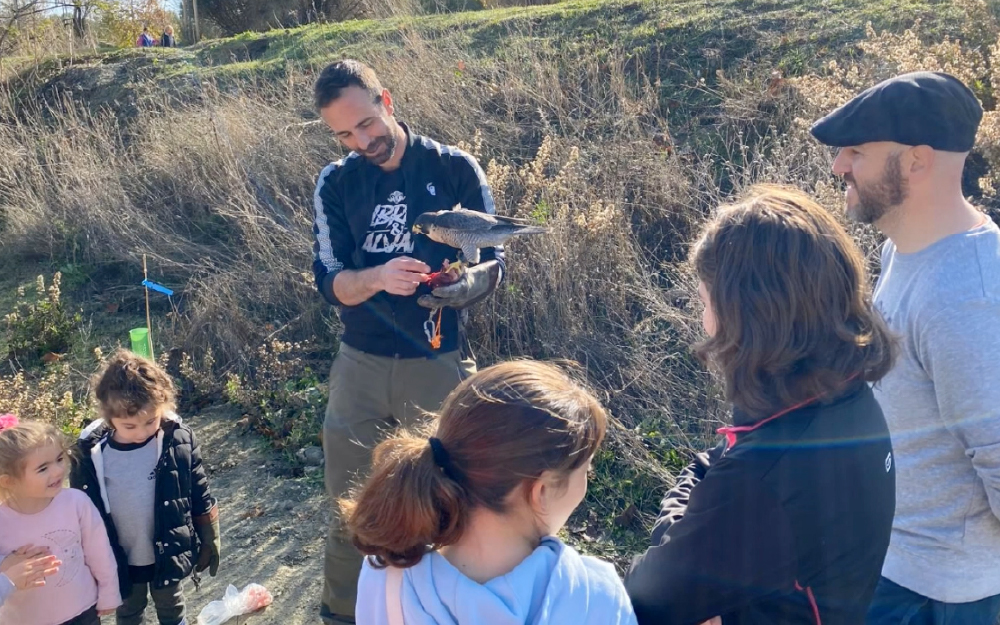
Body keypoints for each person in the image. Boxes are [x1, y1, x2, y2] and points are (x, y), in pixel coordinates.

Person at [625, 186, 898, 625]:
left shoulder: (762, 477)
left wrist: (679, 523)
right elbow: (715, 464)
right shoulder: (843, 400)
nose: (703, 322)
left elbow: (647, 597)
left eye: (704, 302)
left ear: (747, 318)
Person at [311, 59, 505, 624]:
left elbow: (493, 264)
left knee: (454, 501)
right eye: (345, 134)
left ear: (387, 101)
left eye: (367, 123)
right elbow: (329, 280)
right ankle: (343, 615)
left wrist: (462, 285)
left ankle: (449, 612)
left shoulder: (452, 168)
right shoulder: (336, 181)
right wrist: (375, 277)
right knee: (352, 505)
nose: (361, 141)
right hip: (361, 365)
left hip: (437, 361)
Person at [811, 71, 1000, 624]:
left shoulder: (965, 295)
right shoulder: (909, 251)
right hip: (897, 562)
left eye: (856, 152)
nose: (838, 166)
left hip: (942, 595)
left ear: (916, 161)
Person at [341, 359, 637, 625]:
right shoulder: (596, 596)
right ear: (542, 492)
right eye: (586, 471)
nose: (587, 481)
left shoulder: (387, 575)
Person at [70, 349, 221, 625]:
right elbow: (80, 512)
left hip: (166, 549)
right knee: (128, 611)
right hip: (121, 556)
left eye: (150, 421)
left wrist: (209, 532)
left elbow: (199, 489)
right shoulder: (91, 455)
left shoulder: (177, 440)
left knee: (172, 607)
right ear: (108, 417)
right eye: (129, 426)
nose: (142, 432)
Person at [0, 416, 122, 624]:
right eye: (43, 468)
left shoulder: (76, 502)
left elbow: (99, 552)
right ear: (8, 481)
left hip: (83, 609)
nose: (58, 470)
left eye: (59, 459)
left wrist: (109, 592)